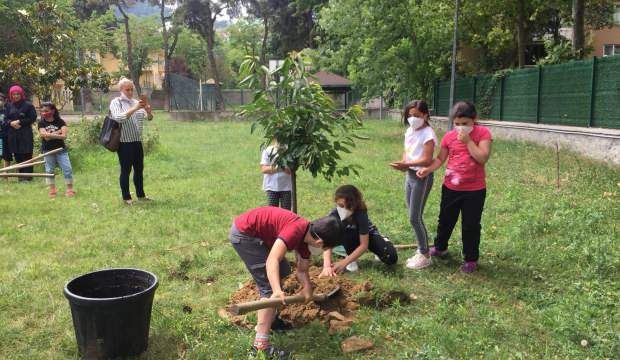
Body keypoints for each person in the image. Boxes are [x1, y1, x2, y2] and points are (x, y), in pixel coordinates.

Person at [229, 206, 342, 358]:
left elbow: (301, 270)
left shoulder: (306, 239)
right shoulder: (295, 231)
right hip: (245, 235)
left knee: (284, 271)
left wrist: (307, 287)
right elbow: (272, 260)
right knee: (268, 289)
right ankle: (260, 348)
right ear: (319, 242)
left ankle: (272, 320)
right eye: (326, 248)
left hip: (261, 236)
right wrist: (276, 290)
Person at [417, 101, 493, 273]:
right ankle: (440, 247)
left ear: (474, 120)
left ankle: (471, 259)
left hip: (474, 190)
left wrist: (468, 141)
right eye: (457, 124)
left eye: (465, 124)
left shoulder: (483, 133)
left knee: (470, 225)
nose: (460, 127)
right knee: (445, 220)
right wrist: (428, 169)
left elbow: (482, 158)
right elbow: (440, 159)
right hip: (451, 188)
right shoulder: (449, 136)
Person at [390, 100, 437, 270]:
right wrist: (403, 163)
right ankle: (420, 250)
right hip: (410, 175)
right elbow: (407, 151)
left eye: (417, 115)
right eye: (410, 116)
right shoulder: (409, 131)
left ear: (425, 115)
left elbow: (427, 160)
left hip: (421, 176)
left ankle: (425, 254)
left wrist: (407, 165)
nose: (413, 119)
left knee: (414, 217)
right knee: (414, 216)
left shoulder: (428, 134)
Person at [320, 185, 397, 277]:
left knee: (391, 258)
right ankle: (351, 258)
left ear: (354, 205)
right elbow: (327, 243)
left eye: (346, 206)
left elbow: (364, 245)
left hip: (368, 235)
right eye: (340, 206)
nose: (343, 209)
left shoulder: (361, 213)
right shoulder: (334, 216)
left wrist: (343, 263)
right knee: (346, 232)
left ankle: (383, 240)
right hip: (348, 238)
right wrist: (327, 266)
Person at [109, 78, 153, 205]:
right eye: (127, 89)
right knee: (126, 170)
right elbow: (118, 118)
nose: (130, 92)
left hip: (137, 141)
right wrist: (135, 108)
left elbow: (148, 118)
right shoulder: (116, 102)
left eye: (131, 89)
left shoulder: (136, 102)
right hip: (124, 142)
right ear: (121, 90)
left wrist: (149, 112)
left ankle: (141, 195)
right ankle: (127, 198)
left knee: (139, 169)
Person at [38, 102, 74, 198]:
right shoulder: (41, 123)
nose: (44, 113)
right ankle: (52, 190)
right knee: (49, 170)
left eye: (46, 111)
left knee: (67, 169)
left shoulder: (60, 122)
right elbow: (44, 137)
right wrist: (57, 132)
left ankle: (70, 189)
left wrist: (50, 134)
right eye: (42, 111)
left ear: (53, 111)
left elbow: (64, 136)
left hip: (61, 150)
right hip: (47, 150)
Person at [4, 85, 37, 181]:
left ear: (21, 94)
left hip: (25, 133)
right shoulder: (8, 105)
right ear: (11, 95)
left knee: (26, 154)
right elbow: (5, 119)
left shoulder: (28, 105)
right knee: (17, 154)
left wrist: (19, 122)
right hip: (13, 134)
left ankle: (27, 178)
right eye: (13, 94)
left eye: (17, 94)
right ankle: (21, 177)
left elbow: (32, 118)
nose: (15, 96)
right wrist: (11, 123)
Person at [260, 141, 292, 210]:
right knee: (272, 213)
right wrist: (281, 167)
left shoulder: (289, 151)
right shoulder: (268, 150)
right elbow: (264, 169)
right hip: (271, 187)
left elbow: (290, 171)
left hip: (286, 187)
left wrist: (274, 168)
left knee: (286, 213)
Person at [0, 92, 8, 169]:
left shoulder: (7, 111)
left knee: (6, 155)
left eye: (1, 100)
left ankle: (5, 175)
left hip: (5, 136)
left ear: (5, 101)